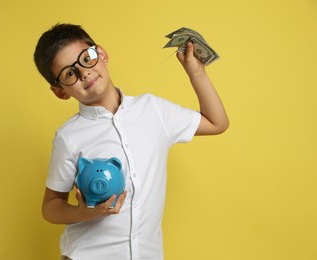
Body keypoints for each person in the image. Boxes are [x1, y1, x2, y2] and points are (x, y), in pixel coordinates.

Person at [33, 23, 229, 260]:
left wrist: (196, 73)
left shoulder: (153, 110)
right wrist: (85, 213)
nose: (84, 72)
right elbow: (51, 207)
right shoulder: (68, 137)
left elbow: (217, 123)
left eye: (87, 58)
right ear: (60, 91)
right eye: (69, 73)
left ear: (102, 54)